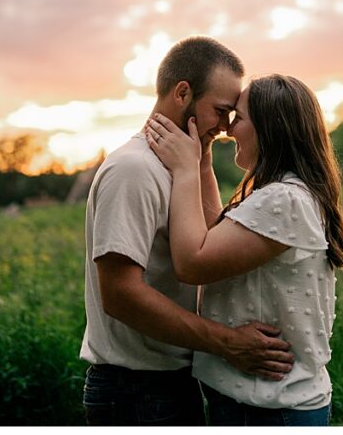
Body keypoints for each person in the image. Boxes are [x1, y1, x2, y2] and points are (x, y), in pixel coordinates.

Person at [80, 36, 295, 426]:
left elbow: (211, 245)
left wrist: (200, 163)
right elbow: (119, 294)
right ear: (182, 93)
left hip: (169, 383)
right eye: (220, 111)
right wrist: (228, 342)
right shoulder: (134, 170)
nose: (228, 127)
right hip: (136, 392)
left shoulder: (180, 167)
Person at [146, 73, 343, 426]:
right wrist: (203, 163)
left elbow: (193, 261)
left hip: (268, 409)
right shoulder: (283, 193)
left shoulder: (283, 200)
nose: (227, 129)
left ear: (269, 129)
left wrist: (184, 171)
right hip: (262, 403)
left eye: (238, 118)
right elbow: (212, 239)